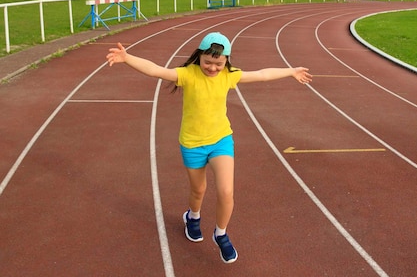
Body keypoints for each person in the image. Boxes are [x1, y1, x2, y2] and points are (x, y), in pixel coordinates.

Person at [106, 32, 312, 264]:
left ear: (226, 61)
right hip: (192, 144)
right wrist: (127, 58)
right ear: (199, 56)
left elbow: (263, 74)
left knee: (226, 191)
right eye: (208, 63)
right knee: (199, 190)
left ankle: (220, 233)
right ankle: (193, 217)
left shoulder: (229, 76)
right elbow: (155, 70)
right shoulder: (187, 74)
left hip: (221, 140)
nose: (213, 68)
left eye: (219, 63)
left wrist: (291, 71)